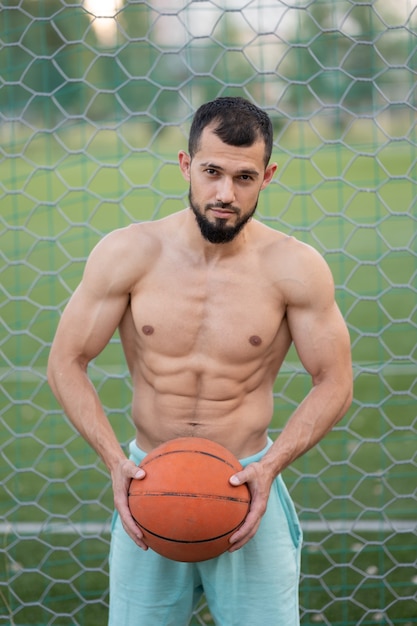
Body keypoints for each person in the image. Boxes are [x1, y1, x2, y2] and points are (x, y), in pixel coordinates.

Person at [47, 96, 353, 626]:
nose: (224, 194)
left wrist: (271, 466)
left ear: (268, 176)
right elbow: (66, 362)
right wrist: (116, 462)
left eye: (244, 178)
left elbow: (335, 381)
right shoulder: (128, 253)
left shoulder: (295, 267)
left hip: (249, 486)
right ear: (187, 165)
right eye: (211, 172)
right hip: (147, 486)